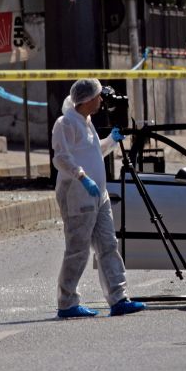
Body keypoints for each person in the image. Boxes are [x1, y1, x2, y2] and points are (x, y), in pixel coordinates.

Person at [51, 78, 146, 318]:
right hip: (77, 195)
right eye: (97, 96)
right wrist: (82, 177)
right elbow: (61, 157)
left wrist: (111, 142)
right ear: (86, 99)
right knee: (78, 249)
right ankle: (67, 302)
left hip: (98, 195)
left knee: (108, 245)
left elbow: (93, 152)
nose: (101, 100)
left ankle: (118, 298)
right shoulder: (65, 124)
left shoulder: (87, 122)